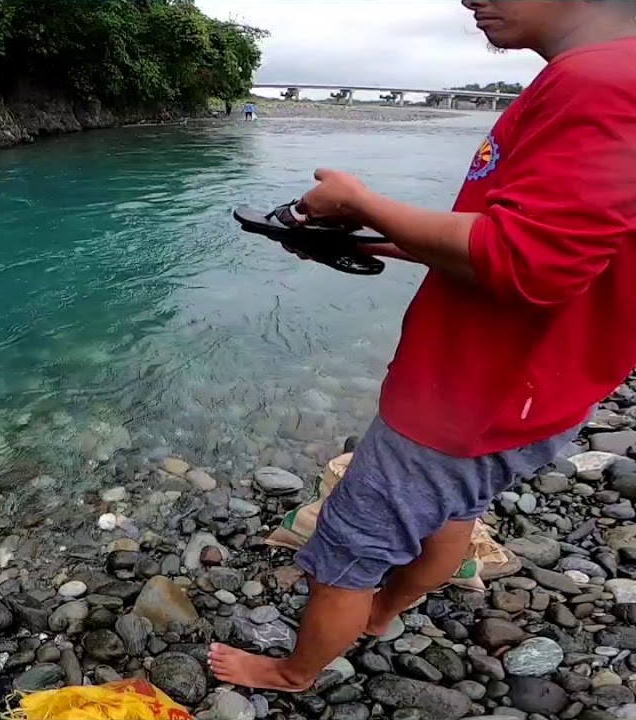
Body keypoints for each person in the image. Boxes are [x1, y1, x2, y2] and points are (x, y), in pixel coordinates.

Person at [210, 0, 636, 692]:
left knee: (347, 545)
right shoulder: (611, 75)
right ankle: (382, 615)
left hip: (468, 396)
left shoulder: (599, 82)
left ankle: (295, 672)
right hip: (541, 393)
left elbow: (531, 262)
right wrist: (377, 241)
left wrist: (360, 202)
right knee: (452, 512)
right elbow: (549, 249)